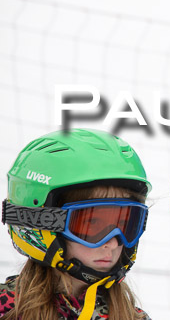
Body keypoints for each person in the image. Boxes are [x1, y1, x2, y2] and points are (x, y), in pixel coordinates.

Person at [0, 128, 151, 320]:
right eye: (93, 223)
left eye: (124, 224)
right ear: (42, 224)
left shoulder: (132, 317)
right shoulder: (8, 310)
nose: (112, 243)